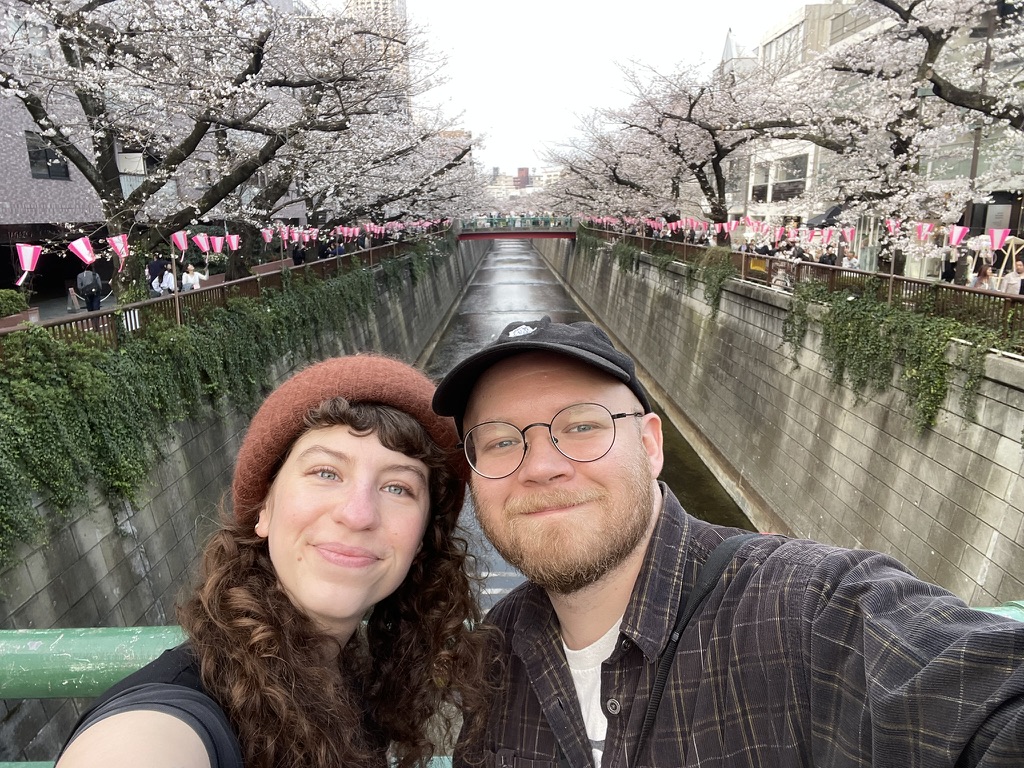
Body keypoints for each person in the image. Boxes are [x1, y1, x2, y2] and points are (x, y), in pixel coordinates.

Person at [432, 316, 1024, 768]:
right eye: (502, 440)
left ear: (651, 445)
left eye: (582, 426)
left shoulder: (810, 607)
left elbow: (980, 699)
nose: (541, 466)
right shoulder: (494, 658)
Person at [57, 355, 493, 768]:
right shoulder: (179, 708)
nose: (358, 514)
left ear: (420, 540)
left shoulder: (351, 680)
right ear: (263, 507)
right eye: (326, 473)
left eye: (398, 488)